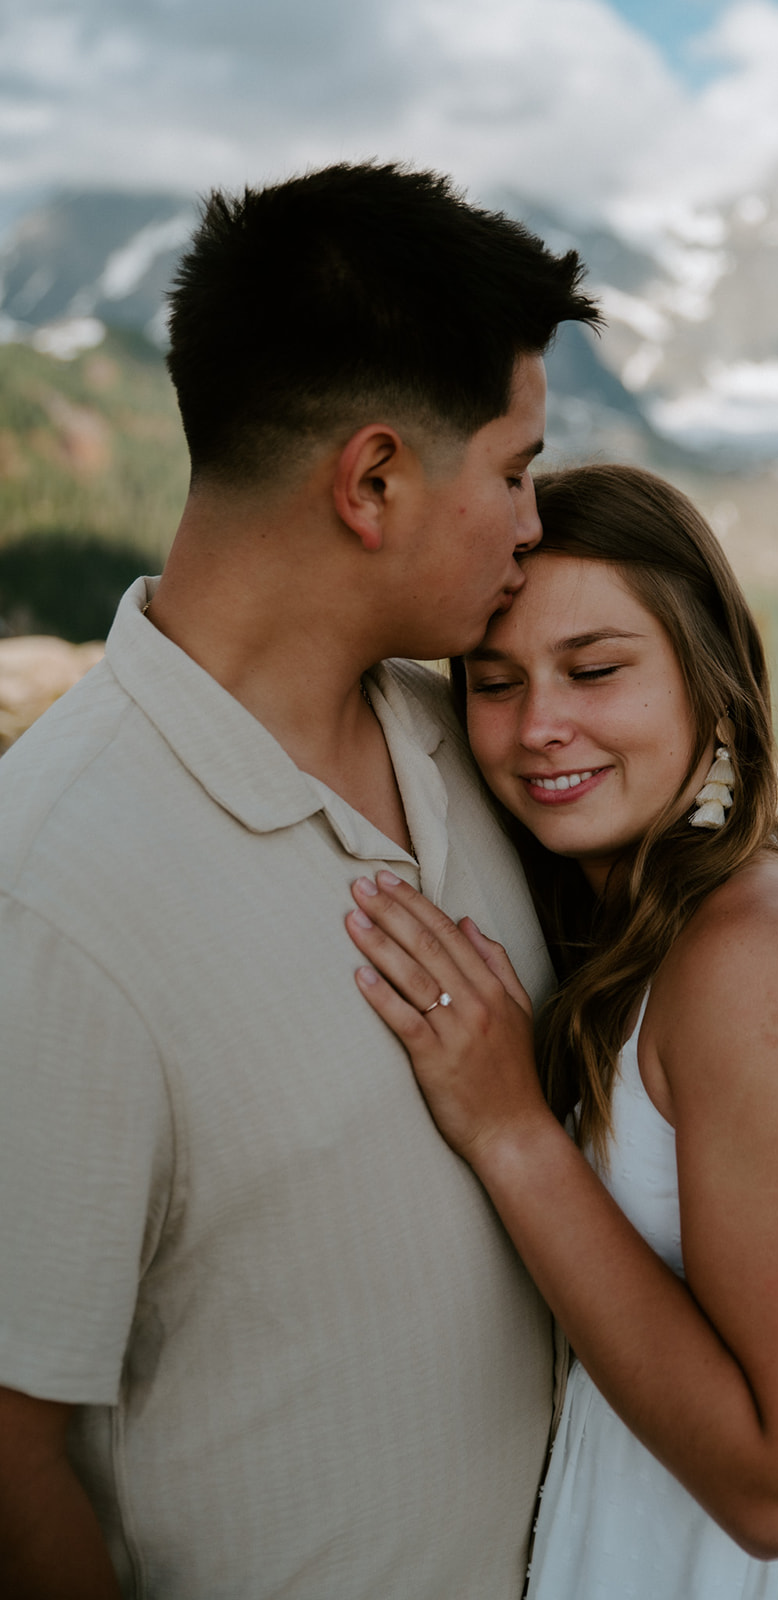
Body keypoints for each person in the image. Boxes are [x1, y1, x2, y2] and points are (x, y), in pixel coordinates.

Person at [0, 163, 599, 1599]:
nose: (533, 524)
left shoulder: (483, 736)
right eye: (513, 473)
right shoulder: (53, 895)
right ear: (375, 480)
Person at [345, 464, 778, 1597]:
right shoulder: (648, 936)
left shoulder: (759, 953)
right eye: (495, 680)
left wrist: (514, 1129)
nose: (538, 728)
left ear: (711, 685)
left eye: (597, 669)